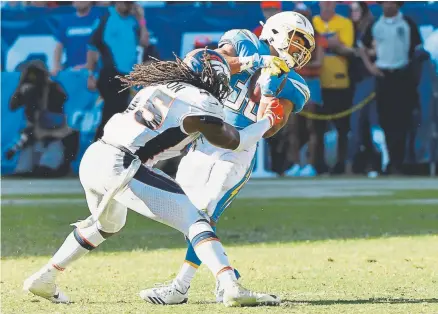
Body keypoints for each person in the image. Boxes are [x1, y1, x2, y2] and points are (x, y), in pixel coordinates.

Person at [23, 49, 283, 307]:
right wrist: (267, 120)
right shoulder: (203, 101)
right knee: (196, 219)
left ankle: (46, 277)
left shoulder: (157, 84)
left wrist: (252, 61)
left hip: (95, 157)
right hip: (122, 164)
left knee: (107, 225)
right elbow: (235, 142)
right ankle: (231, 286)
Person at [140, 11, 315, 305]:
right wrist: (258, 62)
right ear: (276, 31)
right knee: (187, 216)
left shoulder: (295, 83)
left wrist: (271, 90)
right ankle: (225, 275)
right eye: (296, 40)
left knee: (203, 214)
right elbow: (207, 64)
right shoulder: (245, 42)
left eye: (305, 46)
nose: (299, 50)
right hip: (204, 140)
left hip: (237, 151)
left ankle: (183, 287)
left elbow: (271, 126)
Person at [359, 2, 422, 174]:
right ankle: (391, 160)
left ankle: (401, 161)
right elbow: (362, 46)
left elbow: (417, 49)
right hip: (383, 75)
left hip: (402, 75)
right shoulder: (376, 25)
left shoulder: (407, 23)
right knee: (385, 118)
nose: (388, 5)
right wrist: (371, 67)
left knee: (403, 119)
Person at [86, 1, 149, 141]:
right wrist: (90, 74)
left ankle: (103, 143)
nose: (126, 5)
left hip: (126, 76)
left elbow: (144, 42)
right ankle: (101, 143)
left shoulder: (134, 21)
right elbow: (92, 48)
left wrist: (141, 20)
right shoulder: (106, 18)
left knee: (118, 113)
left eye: (129, 3)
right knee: (113, 111)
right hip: (109, 73)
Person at [283, 2, 325, 177]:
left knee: (312, 126)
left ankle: (311, 164)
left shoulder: (318, 37)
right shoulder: (287, 38)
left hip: (311, 83)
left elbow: (319, 63)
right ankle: (295, 163)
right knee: (292, 126)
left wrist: (297, 65)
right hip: (294, 82)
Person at [313, 2, 355, 174]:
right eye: (325, 3)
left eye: (331, 3)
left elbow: (347, 48)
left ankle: (340, 165)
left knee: (342, 128)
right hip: (316, 82)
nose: (327, 6)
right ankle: (318, 165)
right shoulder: (312, 22)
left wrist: (322, 41)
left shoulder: (345, 23)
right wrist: (332, 41)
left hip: (339, 82)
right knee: (317, 128)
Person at [52, 2, 101, 76]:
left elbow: (103, 47)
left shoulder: (99, 19)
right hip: (72, 72)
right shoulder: (66, 20)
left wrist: (88, 66)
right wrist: (56, 66)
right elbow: (59, 46)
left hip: (94, 74)